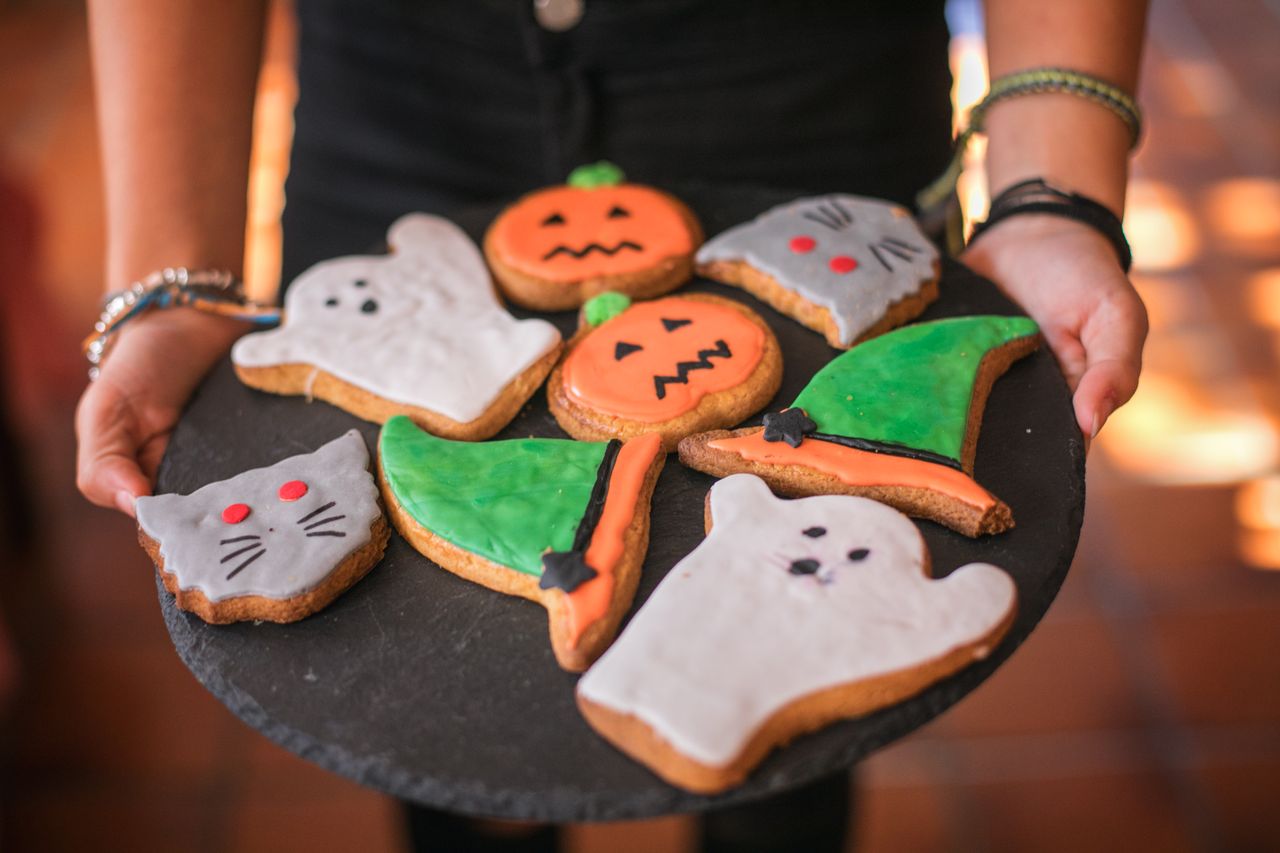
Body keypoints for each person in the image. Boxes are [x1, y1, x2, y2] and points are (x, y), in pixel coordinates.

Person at [75, 1, 1150, 850]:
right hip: (400, 100)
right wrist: (173, 286)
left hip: (812, 102)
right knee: (456, 740)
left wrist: (1054, 193)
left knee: (799, 682)